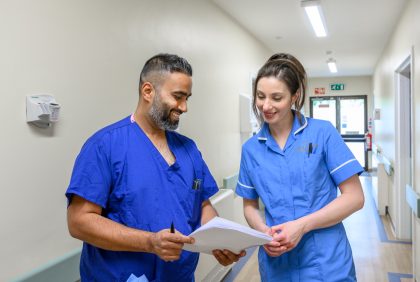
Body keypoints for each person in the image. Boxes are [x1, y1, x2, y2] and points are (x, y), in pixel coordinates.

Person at [66, 53, 245, 282]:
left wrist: (220, 241)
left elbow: (202, 205)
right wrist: (150, 242)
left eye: (187, 98)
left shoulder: (188, 150)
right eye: (178, 97)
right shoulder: (105, 146)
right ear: (148, 91)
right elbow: (79, 222)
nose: (184, 107)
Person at [235, 53, 365, 281]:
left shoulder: (322, 133)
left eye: (277, 98)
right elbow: (250, 205)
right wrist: (263, 232)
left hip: (327, 261)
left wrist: (302, 226)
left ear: (294, 96)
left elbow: (355, 197)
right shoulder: (251, 149)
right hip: (277, 263)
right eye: (260, 96)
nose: (266, 106)